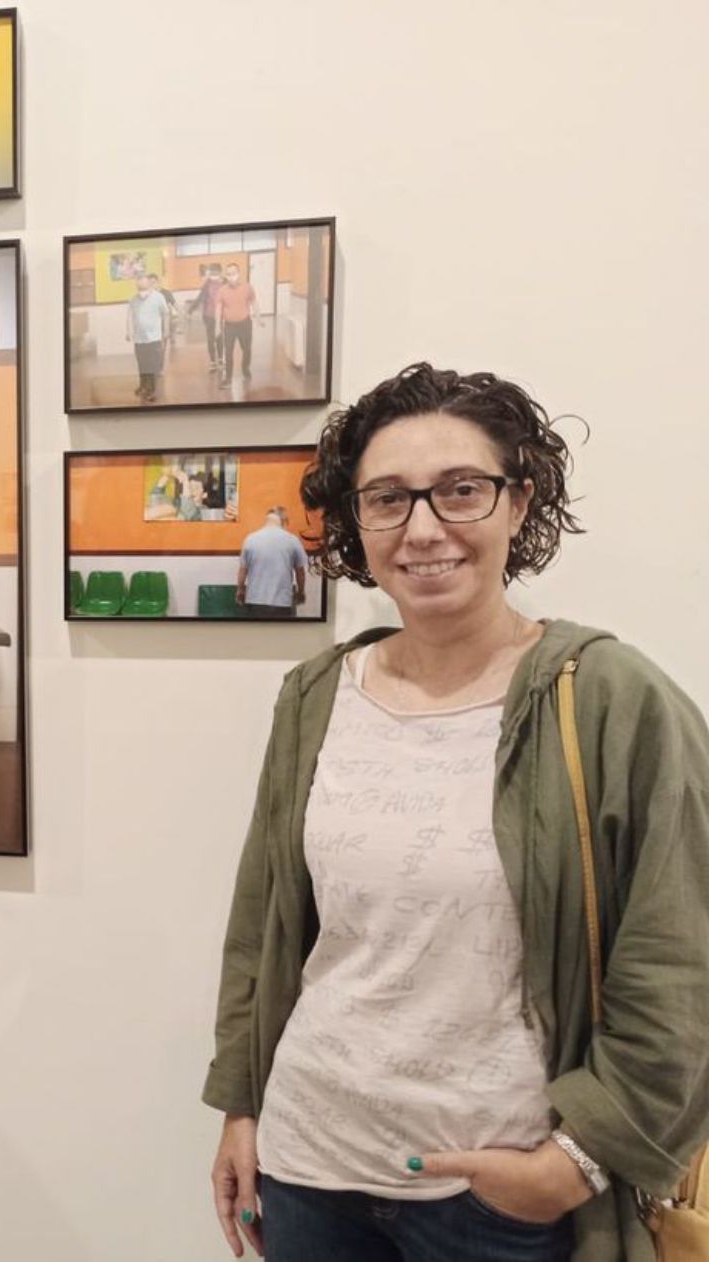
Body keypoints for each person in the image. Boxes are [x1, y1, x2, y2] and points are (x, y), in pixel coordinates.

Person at [206, 363, 709, 1262]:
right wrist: (245, 1105)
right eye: (388, 500)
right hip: (308, 1163)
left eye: (461, 491)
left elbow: (682, 954)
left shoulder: (609, 698)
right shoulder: (318, 694)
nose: (424, 528)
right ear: (357, 523)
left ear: (519, 505)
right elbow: (268, 920)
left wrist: (579, 1159)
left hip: (502, 1195)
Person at [236, 506, 308, 618]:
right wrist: (301, 592)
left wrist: (240, 591)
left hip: (254, 601)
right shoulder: (292, 540)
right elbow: (300, 572)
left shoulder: (250, 539)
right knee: (280, 635)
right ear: (283, 521)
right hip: (282, 603)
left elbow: (242, 571)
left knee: (255, 635)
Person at [126, 272, 170, 403]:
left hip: (154, 338)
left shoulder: (158, 297)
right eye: (139, 288)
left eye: (143, 288)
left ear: (149, 285)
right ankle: (143, 385)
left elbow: (166, 314)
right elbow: (129, 315)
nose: (141, 291)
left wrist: (166, 331)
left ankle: (152, 391)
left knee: (152, 366)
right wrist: (128, 331)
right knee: (142, 364)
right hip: (139, 339)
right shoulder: (134, 299)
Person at [216, 262, 257, 388]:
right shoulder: (222, 290)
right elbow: (218, 308)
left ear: (238, 274)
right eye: (228, 274)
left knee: (247, 349)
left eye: (233, 273)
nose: (231, 276)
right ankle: (228, 378)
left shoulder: (247, 287)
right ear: (226, 276)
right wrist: (218, 327)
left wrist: (258, 317)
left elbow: (254, 301)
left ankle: (245, 368)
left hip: (245, 324)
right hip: (229, 326)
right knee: (228, 352)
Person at [187, 263, 225, 371]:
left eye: (215, 272)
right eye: (211, 272)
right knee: (210, 339)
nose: (213, 275)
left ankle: (221, 359)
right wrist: (190, 310)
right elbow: (200, 298)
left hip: (220, 316)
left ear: (220, 272)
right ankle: (212, 361)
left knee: (219, 338)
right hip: (208, 316)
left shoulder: (225, 283)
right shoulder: (207, 284)